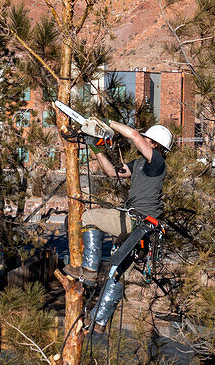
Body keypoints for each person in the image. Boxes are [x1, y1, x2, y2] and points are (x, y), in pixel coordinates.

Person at [74, 120, 173, 281]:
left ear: (155, 144)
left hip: (139, 221)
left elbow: (134, 135)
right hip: (138, 222)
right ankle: (103, 303)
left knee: (88, 217)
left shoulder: (157, 162)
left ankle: (89, 269)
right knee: (117, 274)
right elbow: (112, 172)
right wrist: (94, 147)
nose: (143, 141)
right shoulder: (139, 163)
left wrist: (106, 123)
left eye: (146, 139)